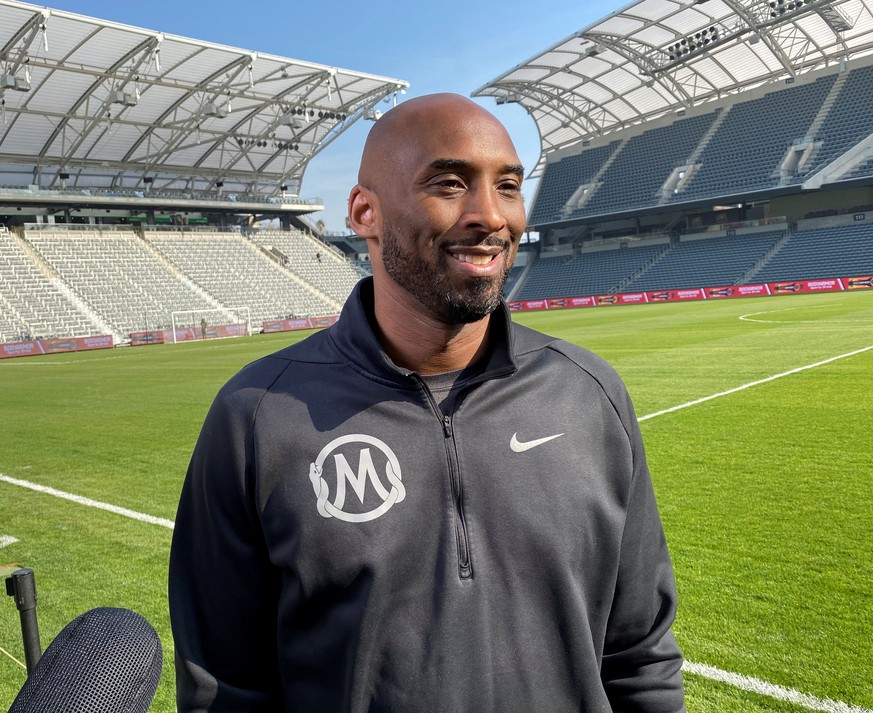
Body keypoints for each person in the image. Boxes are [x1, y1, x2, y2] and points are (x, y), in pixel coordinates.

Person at [169, 93, 685, 712]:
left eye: (509, 186)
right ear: (365, 212)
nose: (491, 216)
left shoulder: (589, 393)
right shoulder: (254, 416)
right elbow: (225, 691)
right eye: (449, 183)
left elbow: (639, 657)